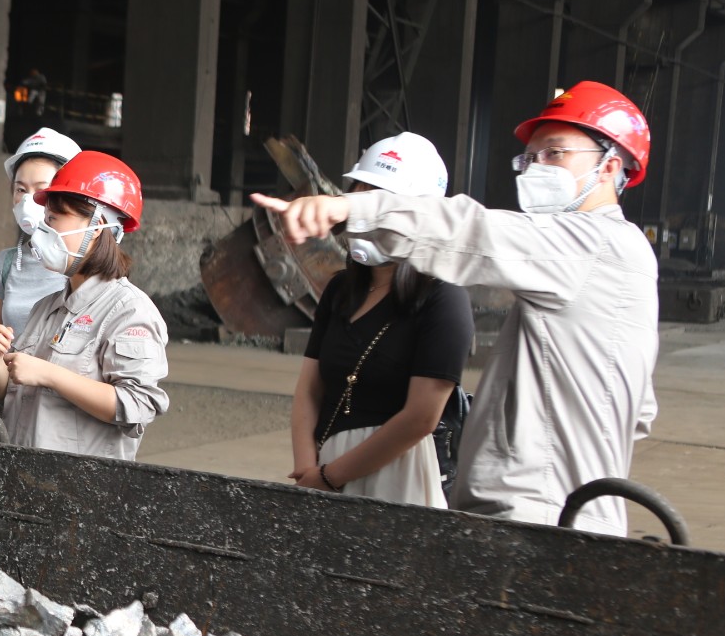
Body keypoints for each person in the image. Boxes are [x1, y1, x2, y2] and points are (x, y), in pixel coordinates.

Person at [254, 81, 657, 535]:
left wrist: (350, 208)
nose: (536, 169)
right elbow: (639, 413)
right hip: (569, 508)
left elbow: (473, 231)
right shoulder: (626, 260)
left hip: (539, 514)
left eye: (555, 153)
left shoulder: (591, 244)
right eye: (529, 158)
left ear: (610, 166)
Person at [289, 133, 473, 507]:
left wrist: (331, 477)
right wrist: (308, 469)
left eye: (382, 200)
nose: (367, 211)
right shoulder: (341, 290)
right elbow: (308, 390)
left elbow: (421, 417)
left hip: (400, 477)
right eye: (360, 194)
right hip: (322, 473)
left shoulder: (444, 298)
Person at [0, 151, 170, 460]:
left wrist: (49, 374)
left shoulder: (130, 312)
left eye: (53, 220)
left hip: (81, 484)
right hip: (24, 473)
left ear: (97, 227)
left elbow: (138, 405)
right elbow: (9, 398)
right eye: (45, 221)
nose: (42, 233)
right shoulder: (46, 308)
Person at [0, 128, 82, 336]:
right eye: (21, 189)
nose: (28, 200)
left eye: (41, 190)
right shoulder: (4, 264)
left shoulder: (86, 265)